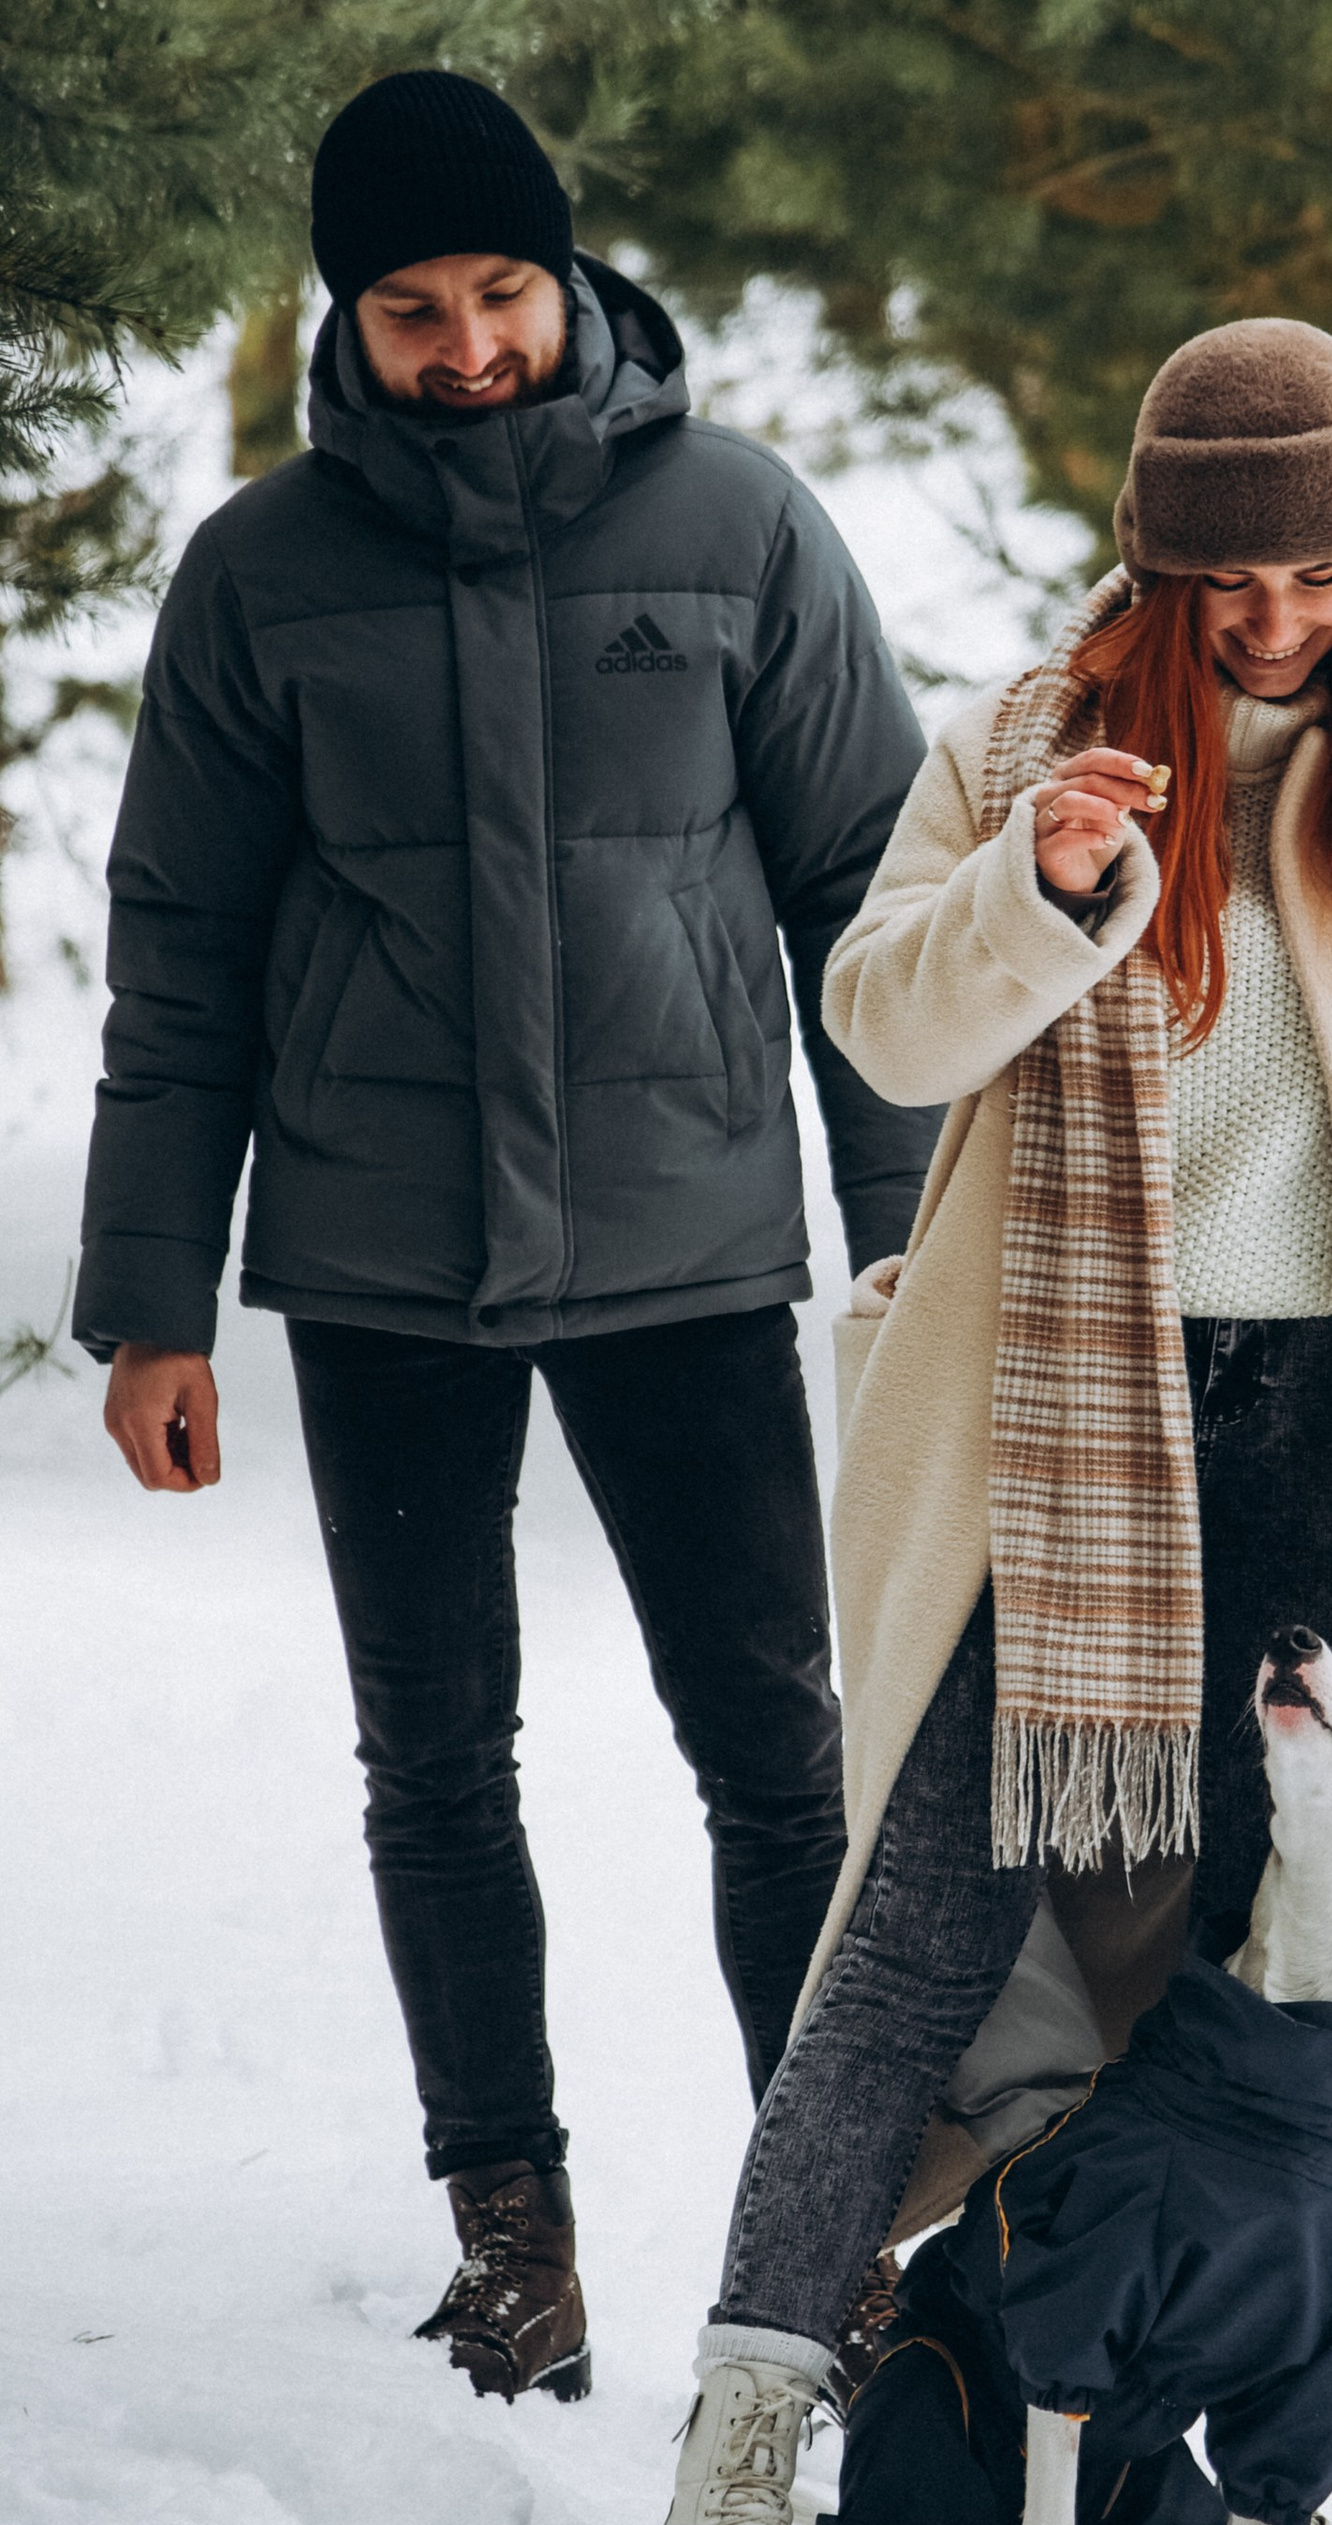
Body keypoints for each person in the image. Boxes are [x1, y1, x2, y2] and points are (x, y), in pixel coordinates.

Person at [652, 317, 1332, 2525]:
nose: (1274, 618)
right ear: (1152, 559)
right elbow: (883, 1028)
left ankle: (1262, 2484)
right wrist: (1040, 887)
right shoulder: (1030, 746)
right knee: (917, 1928)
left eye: (1318, 574)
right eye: (1228, 578)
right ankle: (749, 2417)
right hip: (1069, 1426)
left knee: (1286, 1951)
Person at [72, 70, 937, 2405]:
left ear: (572, 285)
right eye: (415, 305)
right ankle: (512, 2233)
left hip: (682, 1247)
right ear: (349, 318)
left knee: (777, 1757)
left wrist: (906, 1240)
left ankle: (828, 2237)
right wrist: (154, 1298)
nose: (467, 346)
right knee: (434, 1759)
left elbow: (882, 911)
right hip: (379, 1260)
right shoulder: (263, 571)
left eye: (502, 294)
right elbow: (184, 943)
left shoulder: (745, 528)